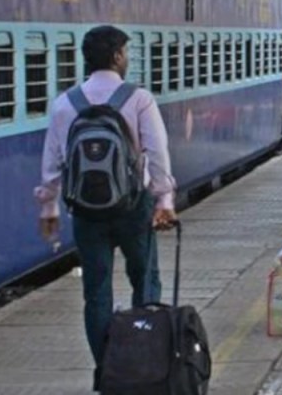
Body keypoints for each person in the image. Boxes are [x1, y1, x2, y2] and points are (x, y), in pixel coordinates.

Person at [34, 25, 178, 390]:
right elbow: (157, 152)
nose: (127, 58)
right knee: (145, 283)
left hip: (86, 212)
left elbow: (53, 161)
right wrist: (164, 200)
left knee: (96, 292)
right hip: (133, 207)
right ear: (116, 56)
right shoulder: (139, 99)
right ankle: (144, 367)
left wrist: (49, 207)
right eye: (126, 52)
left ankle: (107, 371)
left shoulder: (65, 103)